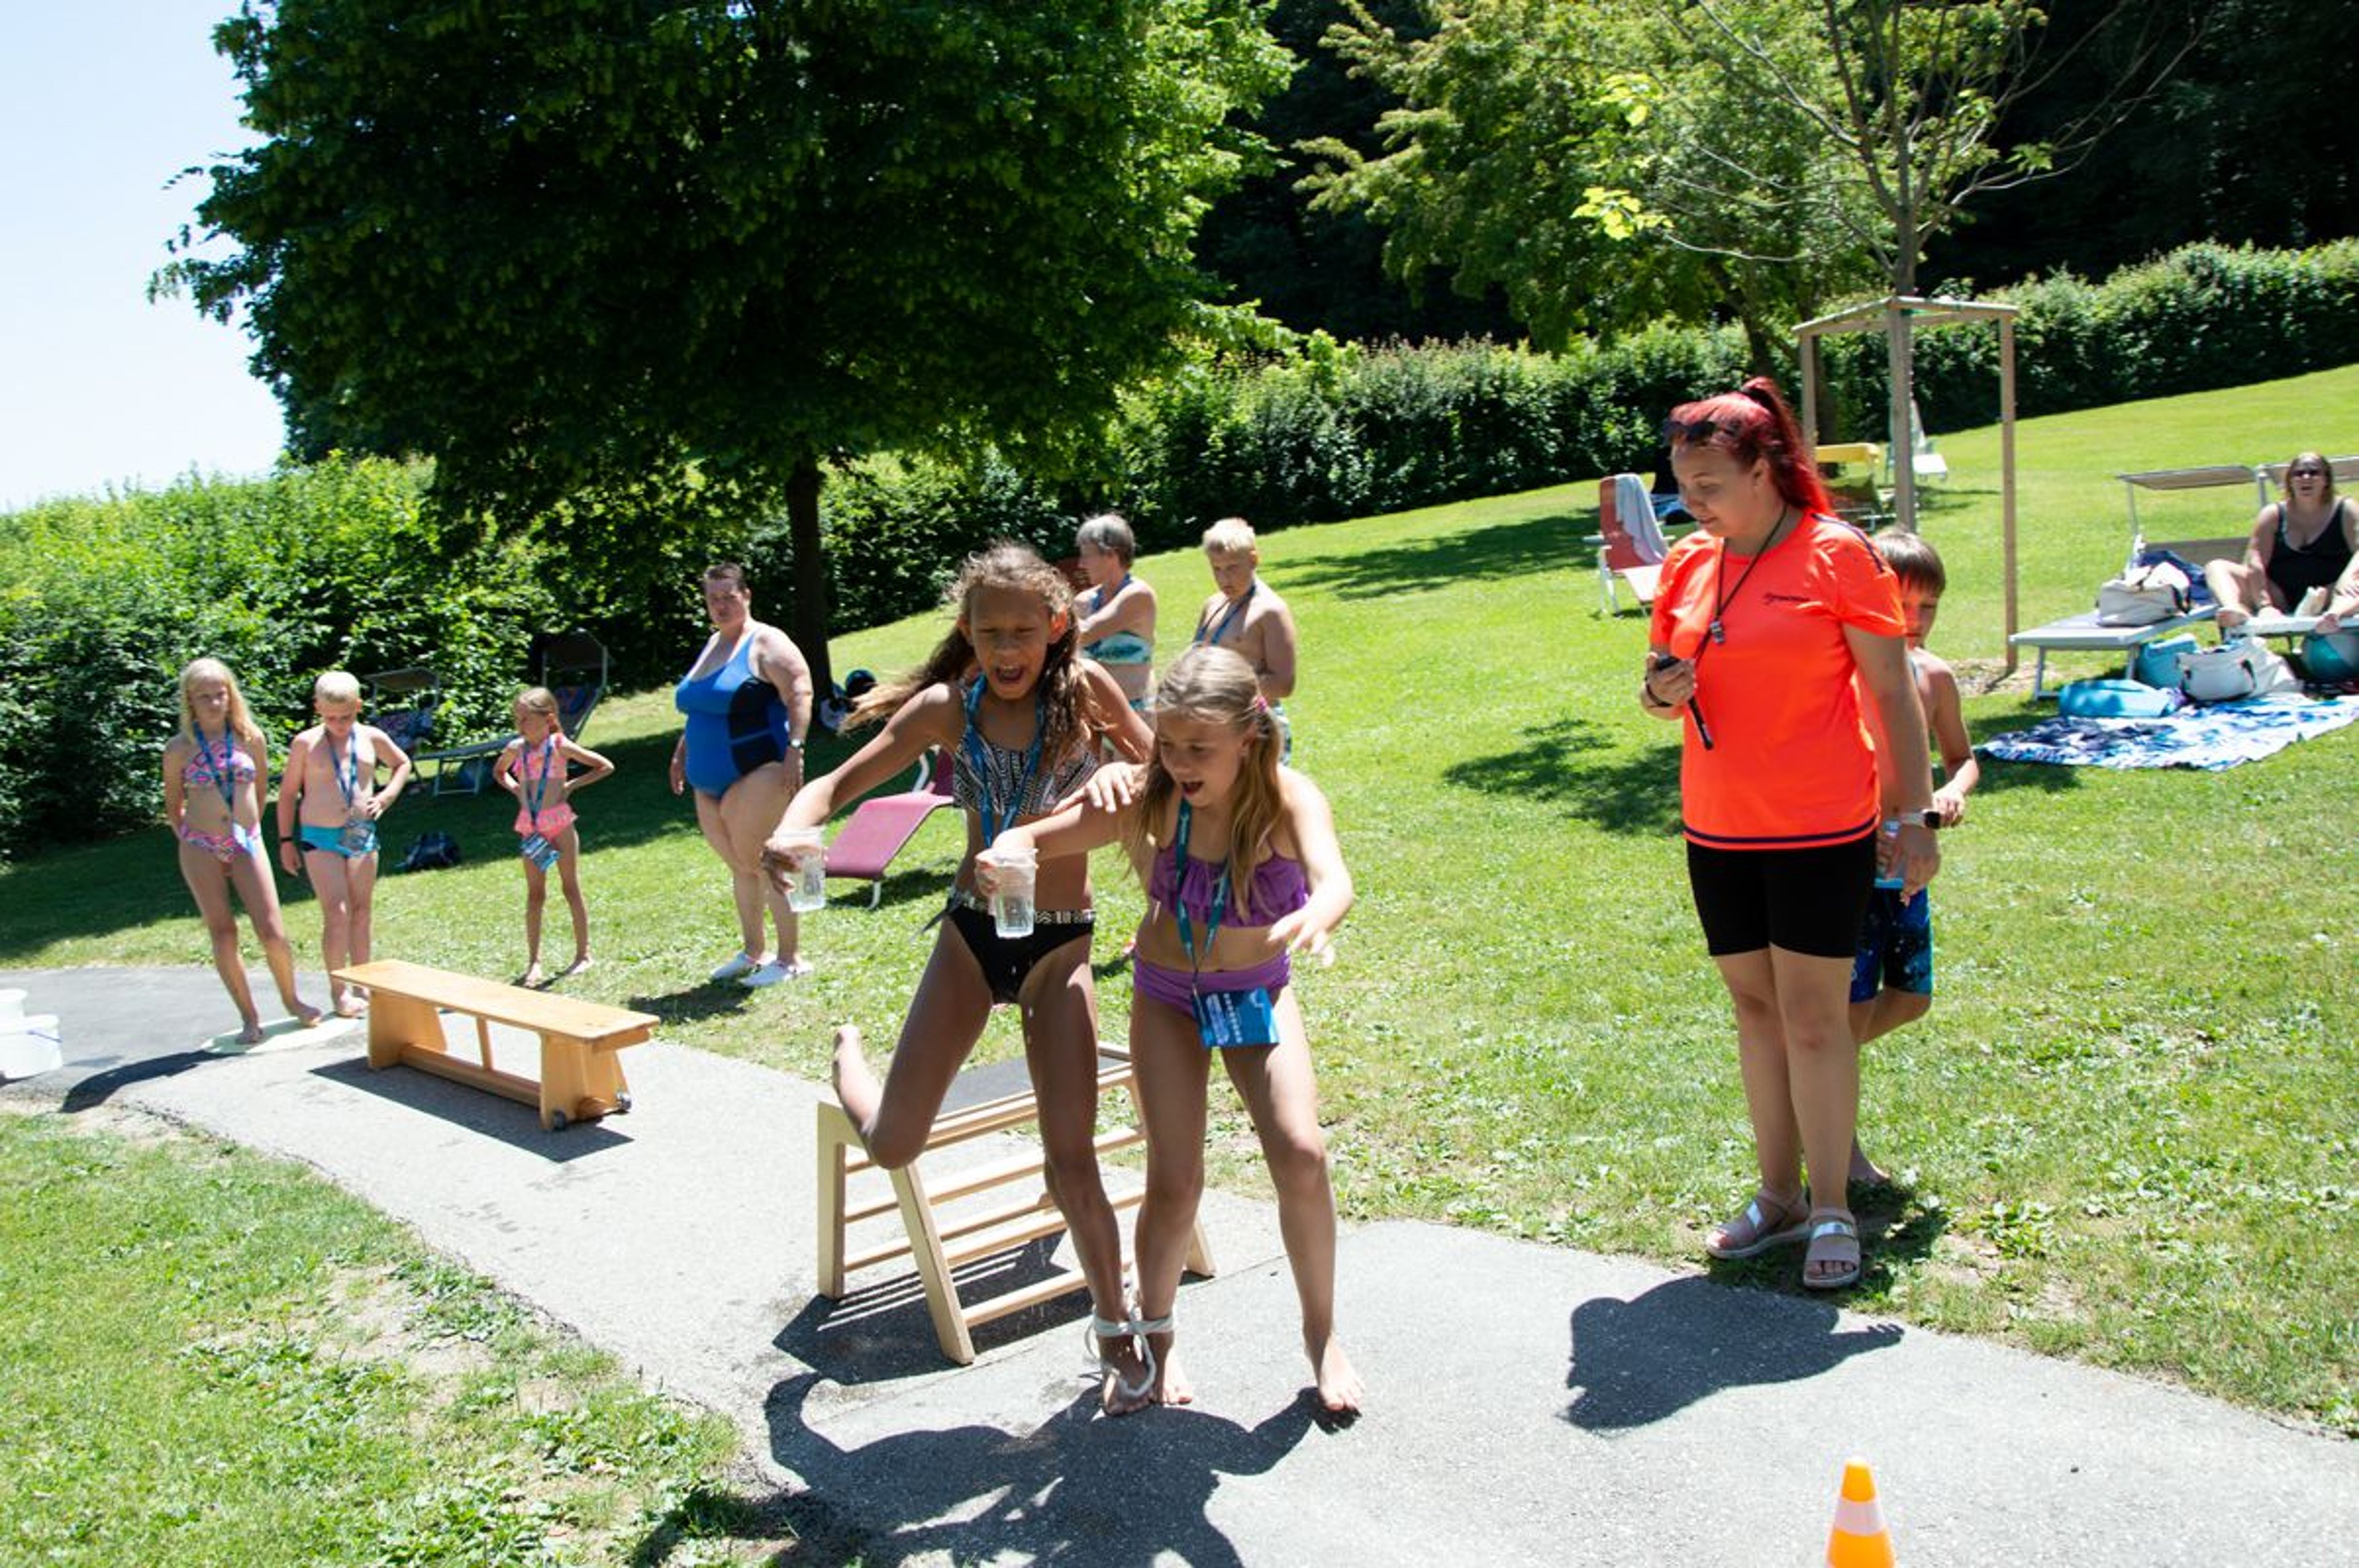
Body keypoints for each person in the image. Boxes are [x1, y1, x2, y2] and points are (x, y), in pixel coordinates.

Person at [761, 543, 1157, 1411]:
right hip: (972, 939)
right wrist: (792, 828)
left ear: (1057, 626)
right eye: (989, 633)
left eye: (1023, 630)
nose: (1007, 648)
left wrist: (1128, 770)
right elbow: (834, 784)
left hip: (1060, 943)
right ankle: (850, 1064)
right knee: (896, 1143)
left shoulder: (1084, 689)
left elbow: (1160, 763)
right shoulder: (949, 707)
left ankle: (1121, 1338)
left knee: (1072, 1162)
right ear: (968, 636)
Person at [979, 644, 1360, 1414]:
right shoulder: (1151, 793)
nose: (1178, 761)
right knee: (1176, 1176)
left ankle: (1322, 1337)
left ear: (1249, 736)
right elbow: (1049, 832)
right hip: (1168, 998)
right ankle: (1153, 1345)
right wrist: (1011, 846)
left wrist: (1320, 911)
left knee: (1301, 1152)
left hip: (1256, 994)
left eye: (1198, 749)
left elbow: (1335, 876)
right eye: (1168, 741)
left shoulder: (1288, 799)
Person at [1638, 378, 1938, 1291]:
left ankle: (1835, 1206)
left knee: (1814, 1019)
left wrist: (1915, 816)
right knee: (1756, 1012)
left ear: (1766, 468)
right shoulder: (1692, 563)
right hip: (1719, 828)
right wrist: (1660, 693)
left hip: (1819, 826)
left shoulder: (1837, 556)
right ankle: (1779, 1197)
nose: (1693, 501)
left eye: (1710, 483)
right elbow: (1656, 684)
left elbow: (1892, 694)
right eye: (1685, 484)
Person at [1847, 528, 1981, 1187]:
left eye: (1927, 607)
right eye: (1902, 603)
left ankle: (1810, 1061)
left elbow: (1961, 758)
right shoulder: (1847, 673)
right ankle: (1840, 1144)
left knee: (1910, 997)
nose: (1914, 619)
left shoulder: (1935, 676)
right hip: (1849, 864)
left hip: (1908, 868)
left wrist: (1951, 794)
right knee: (1846, 1006)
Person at [672, 563, 816, 988]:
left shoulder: (767, 641)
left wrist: (796, 747)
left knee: (767, 862)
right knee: (740, 866)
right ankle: (755, 950)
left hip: (759, 770)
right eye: (713, 598)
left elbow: (800, 691)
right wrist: (682, 751)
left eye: (728, 596)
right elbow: (701, 707)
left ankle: (791, 958)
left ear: (746, 595)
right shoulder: (712, 643)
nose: (720, 605)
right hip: (706, 777)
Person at [164, 658, 322, 1044]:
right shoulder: (178, 749)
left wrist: (246, 828)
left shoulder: (251, 737)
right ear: (190, 700)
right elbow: (173, 805)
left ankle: (292, 1000)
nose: (215, 703)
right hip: (201, 845)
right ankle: (248, 1015)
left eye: (221, 694)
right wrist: (191, 836)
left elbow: (263, 786)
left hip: (246, 840)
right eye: (205, 697)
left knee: (272, 932)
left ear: (231, 694)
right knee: (223, 932)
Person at [277, 671, 412, 1018]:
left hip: (361, 833)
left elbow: (402, 764)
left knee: (361, 911)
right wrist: (286, 841)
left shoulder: (372, 737)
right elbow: (288, 794)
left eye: (346, 717)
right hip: (319, 836)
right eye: (330, 717)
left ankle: (362, 984)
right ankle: (339, 991)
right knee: (336, 914)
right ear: (318, 708)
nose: (338, 724)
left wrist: (386, 797)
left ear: (358, 706)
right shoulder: (305, 743)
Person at [493, 686, 615, 988]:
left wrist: (572, 785)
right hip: (531, 827)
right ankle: (534, 962)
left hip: (559, 823)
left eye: (524, 719)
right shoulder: (516, 749)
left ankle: (583, 954)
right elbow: (500, 772)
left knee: (570, 887)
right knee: (535, 894)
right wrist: (514, 788)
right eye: (516, 718)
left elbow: (605, 766)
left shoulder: (559, 744)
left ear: (548, 719)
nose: (519, 725)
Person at [2205, 453, 2359, 633]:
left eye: (2314, 472)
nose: (2306, 478)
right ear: (2289, 481)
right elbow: (2255, 561)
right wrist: (2265, 605)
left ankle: (2333, 616)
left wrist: (2346, 579)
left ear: (2326, 480)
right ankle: (2235, 610)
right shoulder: (2273, 514)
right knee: (2216, 567)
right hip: (2280, 596)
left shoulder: (2346, 509)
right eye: (2299, 473)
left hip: (2333, 594)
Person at [1191, 517, 1298, 757]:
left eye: (1232, 568)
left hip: (1256, 730)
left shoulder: (1270, 610)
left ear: (1253, 560)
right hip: (1214, 727)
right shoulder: (1213, 605)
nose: (1223, 579)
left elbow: (1284, 683)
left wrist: (1222, 689)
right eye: (1216, 569)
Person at [1074, 512, 1157, 711]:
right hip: (1093, 717)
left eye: (1087, 555)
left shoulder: (1138, 595)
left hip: (1137, 715)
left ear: (1111, 555)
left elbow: (1083, 634)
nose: (1081, 564)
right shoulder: (1084, 601)